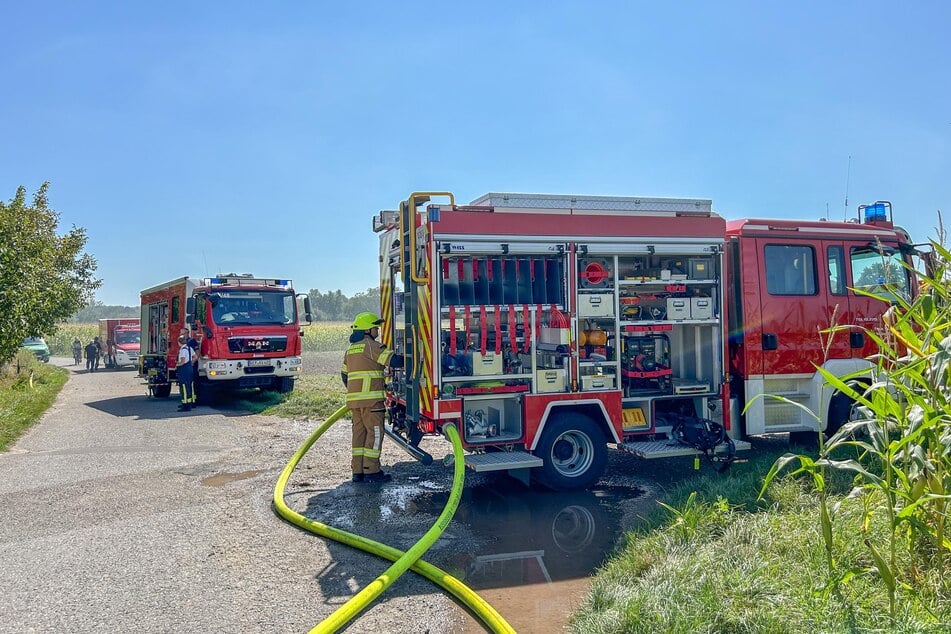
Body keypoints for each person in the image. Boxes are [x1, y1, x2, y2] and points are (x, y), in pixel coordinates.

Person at [341, 311, 404, 483]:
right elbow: (396, 361)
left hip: (355, 402)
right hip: (372, 401)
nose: (377, 330)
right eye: (375, 327)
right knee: (375, 434)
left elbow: (344, 376)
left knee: (359, 435)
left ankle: (358, 471)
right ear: (367, 330)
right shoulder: (371, 346)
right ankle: (372, 471)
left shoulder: (350, 350)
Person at [175, 334, 196, 412]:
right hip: (189, 369)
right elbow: (195, 357)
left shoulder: (183, 350)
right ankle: (190, 403)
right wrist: (192, 363)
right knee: (189, 386)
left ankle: (185, 406)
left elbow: (182, 361)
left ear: (179, 342)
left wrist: (176, 365)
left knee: (184, 387)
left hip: (184, 371)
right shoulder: (189, 348)